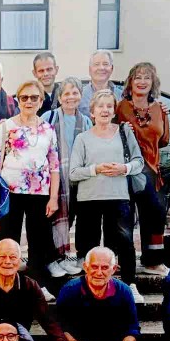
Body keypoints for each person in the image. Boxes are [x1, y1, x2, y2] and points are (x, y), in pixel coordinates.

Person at [68, 89, 146, 304]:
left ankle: (129, 284)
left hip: (118, 196)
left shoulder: (124, 133)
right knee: (88, 244)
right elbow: (73, 172)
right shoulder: (82, 138)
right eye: (100, 106)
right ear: (92, 112)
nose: (105, 110)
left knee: (124, 242)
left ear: (114, 110)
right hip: (89, 199)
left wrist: (124, 168)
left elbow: (139, 162)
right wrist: (96, 169)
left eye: (109, 106)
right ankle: (87, 286)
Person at [0, 80, 60, 288]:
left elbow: (54, 166)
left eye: (34, 97)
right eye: (24, 97)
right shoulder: (7, 126)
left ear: (41, 101)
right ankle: (4, 282)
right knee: (6, 237)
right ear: (18, 101)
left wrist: (53, 198)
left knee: (38, 240)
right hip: (9, 191)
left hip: (40, 192)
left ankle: (36, 285)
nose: (29, 101)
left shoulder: (48, 129)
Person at [116, 62, 170, 276]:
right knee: (124, 217)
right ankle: (123, 261)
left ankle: (153, 262)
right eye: (137, 77)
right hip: (126, 170)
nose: (142, 81)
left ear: (153, 82)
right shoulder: (120, 107)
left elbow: (164, 140)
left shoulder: (159, 109)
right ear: (130, 82)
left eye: (147, 77)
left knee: (155, 215)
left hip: (151, 169)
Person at [42, 77, 92, 279]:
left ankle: (65, 257)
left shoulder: (86, 121)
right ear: (60, 97)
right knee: (53, 220)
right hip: (55, 179)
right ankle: (53, 258)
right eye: (66, 93)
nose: (71, 97)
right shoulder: (49, 117)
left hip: (78, 179)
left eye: (75, 93)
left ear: (81, 95)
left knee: (72, 220)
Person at [79, 50, 123, 118]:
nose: (101, 68)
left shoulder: (121, 96)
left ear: (111, 69)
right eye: (97, 64)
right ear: (90, 69)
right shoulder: (79, 96)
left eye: (105, 64)